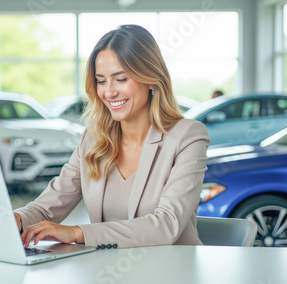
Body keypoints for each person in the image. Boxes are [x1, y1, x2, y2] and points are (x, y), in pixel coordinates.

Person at [14, 25, 210, 249]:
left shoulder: (187, 136)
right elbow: (46, 207)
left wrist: (78, 233)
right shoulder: (93, 140)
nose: (109, 92)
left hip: (172, 271)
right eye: (101, 80)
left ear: (152, 79)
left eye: (121, 79)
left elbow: (166, 225)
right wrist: (17, 219)